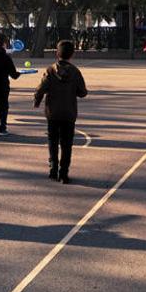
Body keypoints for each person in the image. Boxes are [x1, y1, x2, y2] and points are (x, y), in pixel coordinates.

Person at [34, 40, 88, 184]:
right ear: (72, 55)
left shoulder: (50, 70)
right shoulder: (75, 72)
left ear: (57, 53)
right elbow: (83, 92)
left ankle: (53, 168)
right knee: (66, 143)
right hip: (69, 113)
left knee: (52, 140)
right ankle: (63, 173)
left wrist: (37, 101)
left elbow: (41, 89)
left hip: (52, 112)